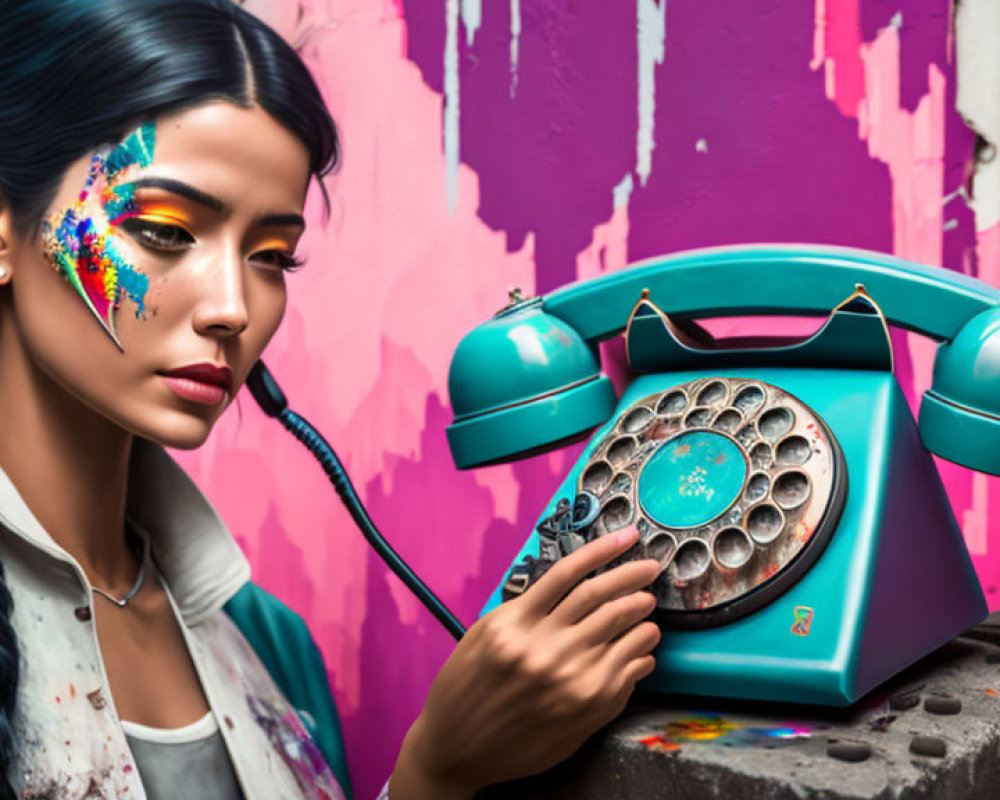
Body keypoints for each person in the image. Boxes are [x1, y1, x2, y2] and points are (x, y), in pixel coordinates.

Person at [0, 1, 662, 798]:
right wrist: (432, 774)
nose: (232, 309)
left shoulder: (272, 648)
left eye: (271, 255)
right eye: (167, 232)